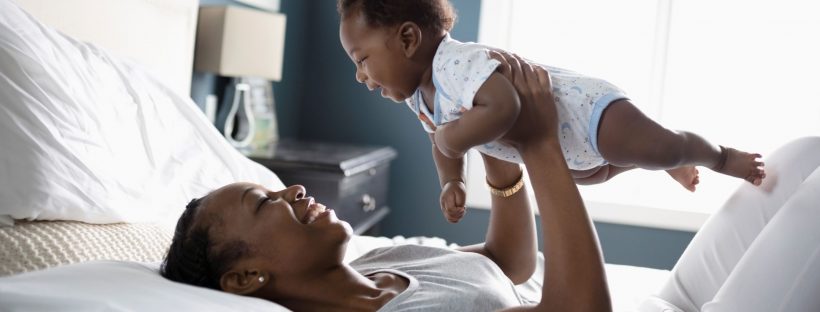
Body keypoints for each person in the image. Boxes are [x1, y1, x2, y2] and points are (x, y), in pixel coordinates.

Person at [160, 55, 820, 311]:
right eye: (263, 202)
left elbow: (509, 263)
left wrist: (502, 168)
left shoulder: (377, 261)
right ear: (245, 280)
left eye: (277, 187)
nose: (292, 192)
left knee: (800, 158)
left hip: (663, 303)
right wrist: (537, 143)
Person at [336, 0, 766, 223]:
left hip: (585, 113)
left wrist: (452, 138)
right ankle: (656, 161)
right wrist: (452, 180)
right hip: (565, 150)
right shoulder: (420, 96)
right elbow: (442, 145)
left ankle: (718, 156)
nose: (359, 75)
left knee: (661, 147)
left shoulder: (456, 64)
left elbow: (504, 107)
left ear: (408, 39)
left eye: (361, 59)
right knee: (597, 174)